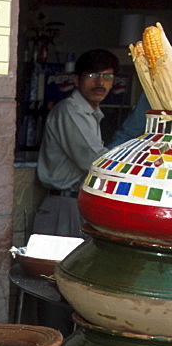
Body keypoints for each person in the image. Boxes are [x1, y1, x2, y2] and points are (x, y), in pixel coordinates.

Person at [33, 49, 121, 238]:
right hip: (65, 206)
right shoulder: (70, 111)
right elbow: (96, 161)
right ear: (76, 80)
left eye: (107, 76)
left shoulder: (91, 114)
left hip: (78, 204)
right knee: (57, 267)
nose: (100, 82)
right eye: (92, 75)